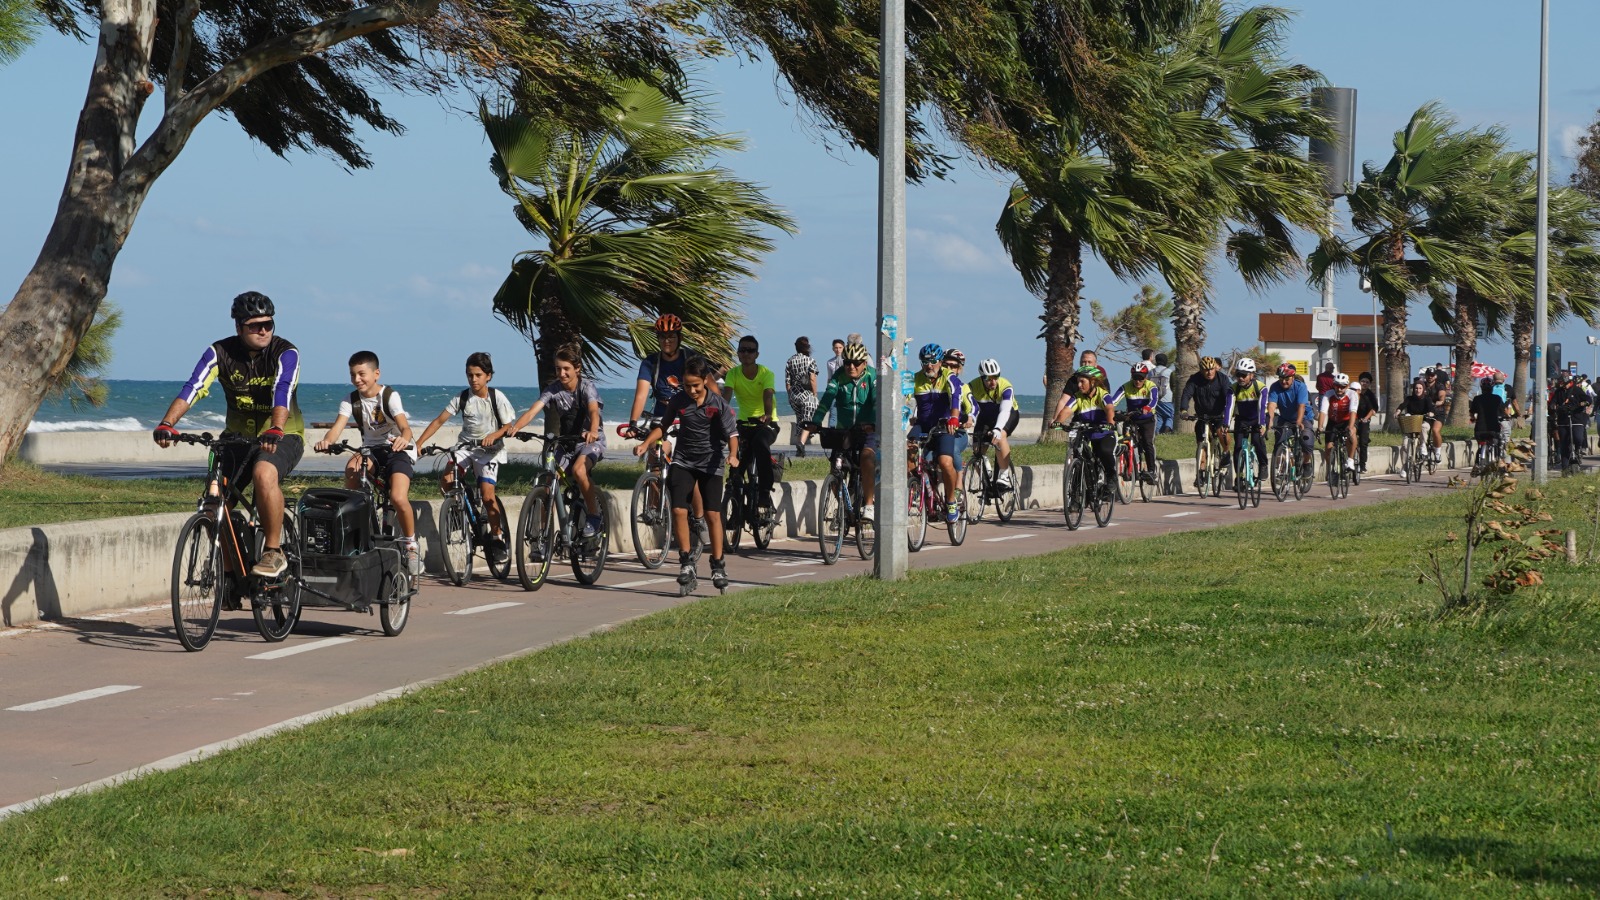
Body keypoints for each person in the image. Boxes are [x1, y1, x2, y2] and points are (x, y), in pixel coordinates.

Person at [154, 291, 304, 578]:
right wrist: (167, 424)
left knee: (263, 473)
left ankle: (273, 551)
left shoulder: (286, 352)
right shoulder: (219, 352)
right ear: (238, 327)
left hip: (282, 434)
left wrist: (276, 427)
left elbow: (282, 390)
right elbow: (193, 387)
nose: (263, 331)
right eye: (254, 325)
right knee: (214, 504)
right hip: (236, 437)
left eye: (268, 324)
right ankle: (232, 573)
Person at [634, 356, 736, 592]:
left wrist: (733, 455)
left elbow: (732, 434)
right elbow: (663, 426)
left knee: (712, 515)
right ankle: (686, 562)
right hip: (684, 461)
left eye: (696, 386)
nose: (691, 390)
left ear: (704, 381)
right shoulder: (679, 400)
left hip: (711, 464)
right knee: (679, 509)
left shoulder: (716, 403)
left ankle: (718, 564)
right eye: (687, 385)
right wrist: (646, 443)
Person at [313, 350, 419, 572]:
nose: (356, 380)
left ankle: (411, 545)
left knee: (398, 497)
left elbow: (405, 428)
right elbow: (337, 428)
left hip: (398, 449)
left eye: (361, 374)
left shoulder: (389, 396)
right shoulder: (350, 400)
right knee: (352, 467)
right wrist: (326, 442)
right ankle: (352, 528)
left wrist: (403, 439)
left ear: (376, 374)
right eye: (352, 375)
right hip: (371, 450)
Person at [415, 352, 518, 563]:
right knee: (446, 481)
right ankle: (459, 507)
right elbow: (438, 420)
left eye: (478, 375)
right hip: (465, 447)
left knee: (489, 497)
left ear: (488, 376)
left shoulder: (497, 397)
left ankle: (497, 537)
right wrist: (419, 443)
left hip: (489, 452)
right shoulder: (461, 398)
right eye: (470, 375)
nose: (473, 379)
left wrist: (494, 435)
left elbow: (508, 426)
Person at [502, 346, 606, 539]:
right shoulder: (553, 389)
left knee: (579, 470)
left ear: (577, 368)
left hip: (591, 441)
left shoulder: (586, 387)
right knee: (548, 481)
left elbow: (593, 410)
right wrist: (516, 427)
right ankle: (542, 535)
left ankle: (594, 516)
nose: (562, 373)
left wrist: (592, 430)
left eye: (566, 368)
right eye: (558, 369)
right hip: (566, 443)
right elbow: (534, 410)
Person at [627, 314, 712, 535]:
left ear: (679, 337)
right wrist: (633, 423)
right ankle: (654, 508)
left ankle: (699, 517)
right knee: (655, 457)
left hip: (688, 417)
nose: (667, 341)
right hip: (662, 418)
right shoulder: (650, 363)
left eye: (671, 336)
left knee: (688, 468)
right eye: (663, 337)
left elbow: (712, 390)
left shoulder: (691, 358)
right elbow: (641, 395)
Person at [802, 342, 878, 520]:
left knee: (867, 458)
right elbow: (827, 399)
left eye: (856, 363)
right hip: (844, 431)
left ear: (864, 364)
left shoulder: (873, 377)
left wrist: (872, 422)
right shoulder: (838, 376)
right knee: (835, 471)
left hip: (867, 429)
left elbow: (875, 401)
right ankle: (846, 509)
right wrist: (815, 422)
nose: (851, 366)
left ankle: (868, 505)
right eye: (847, 362)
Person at [909, 343, 968, 524]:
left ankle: (951, 501)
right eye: (925, 362)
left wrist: (954, 418)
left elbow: (957, 397)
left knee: (945, 461)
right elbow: (905, 400)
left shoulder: (949, 377)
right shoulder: (915, 379)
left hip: (944, 426)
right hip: (923, 425)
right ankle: (915, 489)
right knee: (908, 454)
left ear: (940, 362)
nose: (929, 366)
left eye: (933, 362)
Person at [724, 334, 780, 505]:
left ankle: (764, 491)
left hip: (766, 423)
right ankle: (735, 507)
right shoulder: (733, 374)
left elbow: (768, 395)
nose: (746, 353)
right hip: (743, 424)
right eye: (742, 350)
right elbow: (725, 398)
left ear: (757, 354)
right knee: (737, 464)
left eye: (751, 350)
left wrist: (768, 414)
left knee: (759, 444)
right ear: (738, 353)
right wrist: (718, 415)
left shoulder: (766, 373)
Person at [1051, 365, 1117, 498]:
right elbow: (1066, 410)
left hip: (1104, 433)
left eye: (1083, 382)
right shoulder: (1078, 397)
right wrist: (1058, 422)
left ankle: (1111, 477)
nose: (1079, 385)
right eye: (1078, 382)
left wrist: (1110, 423)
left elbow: (1109, 409)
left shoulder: (1102, 394)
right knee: (1080, 455)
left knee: (1104, 451)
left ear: (1092, 382)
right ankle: (1078, 495)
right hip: (1087, 433)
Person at [1179, 356, 1232, 489]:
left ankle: (1226, 452)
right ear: (1201, 369)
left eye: (1211, 369)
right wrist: (1183, 410)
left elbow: (1229, 396)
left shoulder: (1223, 379)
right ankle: (1201, 473)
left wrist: (1228, 413)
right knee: (1201, 444)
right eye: (1206, 370)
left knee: (1222, 433)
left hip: (1219, 415)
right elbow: (1186, 394)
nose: (1209, 372)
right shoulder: (1194, 379)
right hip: (1203, 416)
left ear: (1215, 368)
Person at [970, 358, 1019, 489]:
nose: (993, 381)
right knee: (977, 450)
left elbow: (1005, 410)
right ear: (981, 377)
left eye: (996, 377)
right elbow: (966, 406)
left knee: (1000, 437)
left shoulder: (1006, 386)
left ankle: (1004, 475)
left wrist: (998, 428)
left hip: (1008, 414)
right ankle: (986, 482)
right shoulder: (972, 386)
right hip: (986, 416)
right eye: (988, 378)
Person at [1108, 361, 1158, 483]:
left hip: (1147, 419)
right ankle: (1128, 466)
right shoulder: (1126, 386)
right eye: (1135, 377)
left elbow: (1154, 400)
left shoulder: (1151, 386)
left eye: (1140, 378)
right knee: (1126, 439)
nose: (1137, 381)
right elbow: (1113, 401)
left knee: (1147, 442)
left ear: (1145, 378)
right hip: (1131, 419)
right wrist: (1109, 409)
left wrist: (1147, 408)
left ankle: (1151, 471)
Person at [1266, 362, 1314, 473]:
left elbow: (1301, 406)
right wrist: (1271, 420)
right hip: (1286, 418)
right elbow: (1272, 404)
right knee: (1279, 443)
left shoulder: (1300, 386)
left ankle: (1306, 463)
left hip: (1303, 418)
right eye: (1281, 378)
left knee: (1307, 442)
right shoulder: (1275, 387)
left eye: (1287, 378)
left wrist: (1298, 421)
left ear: (1292, 377)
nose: (1283, 381)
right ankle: (1281, 468)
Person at [1227, 358, 1268, 483]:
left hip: (1258, 418)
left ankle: (1263, 465)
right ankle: (1239, 476)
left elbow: (1261, 407)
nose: (1240, 378)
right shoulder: (1233, 388)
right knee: (1238, 447)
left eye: (1244, 375)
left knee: (1257, 441)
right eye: (1238, 375)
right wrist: (1226, 424)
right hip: (1242, 419)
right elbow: (1229, 407)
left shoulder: (1260, 387)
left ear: (1252, 375)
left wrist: (1262, 424)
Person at [1317, 372, 1359, 475]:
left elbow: (1353, 411)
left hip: (1348, 420)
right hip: (1334, 421)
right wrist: (1320, 426)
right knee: (1328, 447)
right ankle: (1331, 470)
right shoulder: (1328, 394)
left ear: (1347, 386)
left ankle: (1350, 460)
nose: (1339, 389)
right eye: (1336, 386)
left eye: (1342, 387)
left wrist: (1350, 426)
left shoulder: (1352, 394)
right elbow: (1323, 411)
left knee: (1352, 434)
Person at [785, 336, 819, 457]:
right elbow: (812, 379)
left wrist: (790, 395)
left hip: (794, 395)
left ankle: (800, 448)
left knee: (800, 419)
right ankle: (801, 443)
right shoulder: (810, 361)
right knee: (808, 420)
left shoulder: (790, 361)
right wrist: (815, 394)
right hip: (807, 395)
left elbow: (787, 381)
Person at [1468, 376, 1509, 465]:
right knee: (1498, 442)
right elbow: (1504, 410)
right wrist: (1507, 416)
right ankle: (1499, 461)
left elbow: (1471, 412)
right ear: (1492, 387)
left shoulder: (1477, 399)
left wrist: (1473, 418)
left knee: (1480, 445)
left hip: (1479, 430)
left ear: (1481, 387)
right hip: (1494, 428)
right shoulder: (1497, 398)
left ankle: (1477, 463)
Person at [1355, 372, 1379, 473]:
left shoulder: (1370, 395)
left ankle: (1362, 465)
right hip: (1354, 418)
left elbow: (1374, 409)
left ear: (1369, 384)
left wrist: (1366, 418)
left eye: (1367, 382)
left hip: (1365, 419)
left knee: (1363, 442)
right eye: (1362, 381)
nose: (1364, 383)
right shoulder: (1354, 392)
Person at [1151, 352, 1175, 433]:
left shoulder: (1151, 371)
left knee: (1159, 417)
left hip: (1155, 398)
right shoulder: (1169, 371)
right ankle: (1167, 430)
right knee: (1170, 415)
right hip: (1167, 398)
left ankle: (1157, 433)